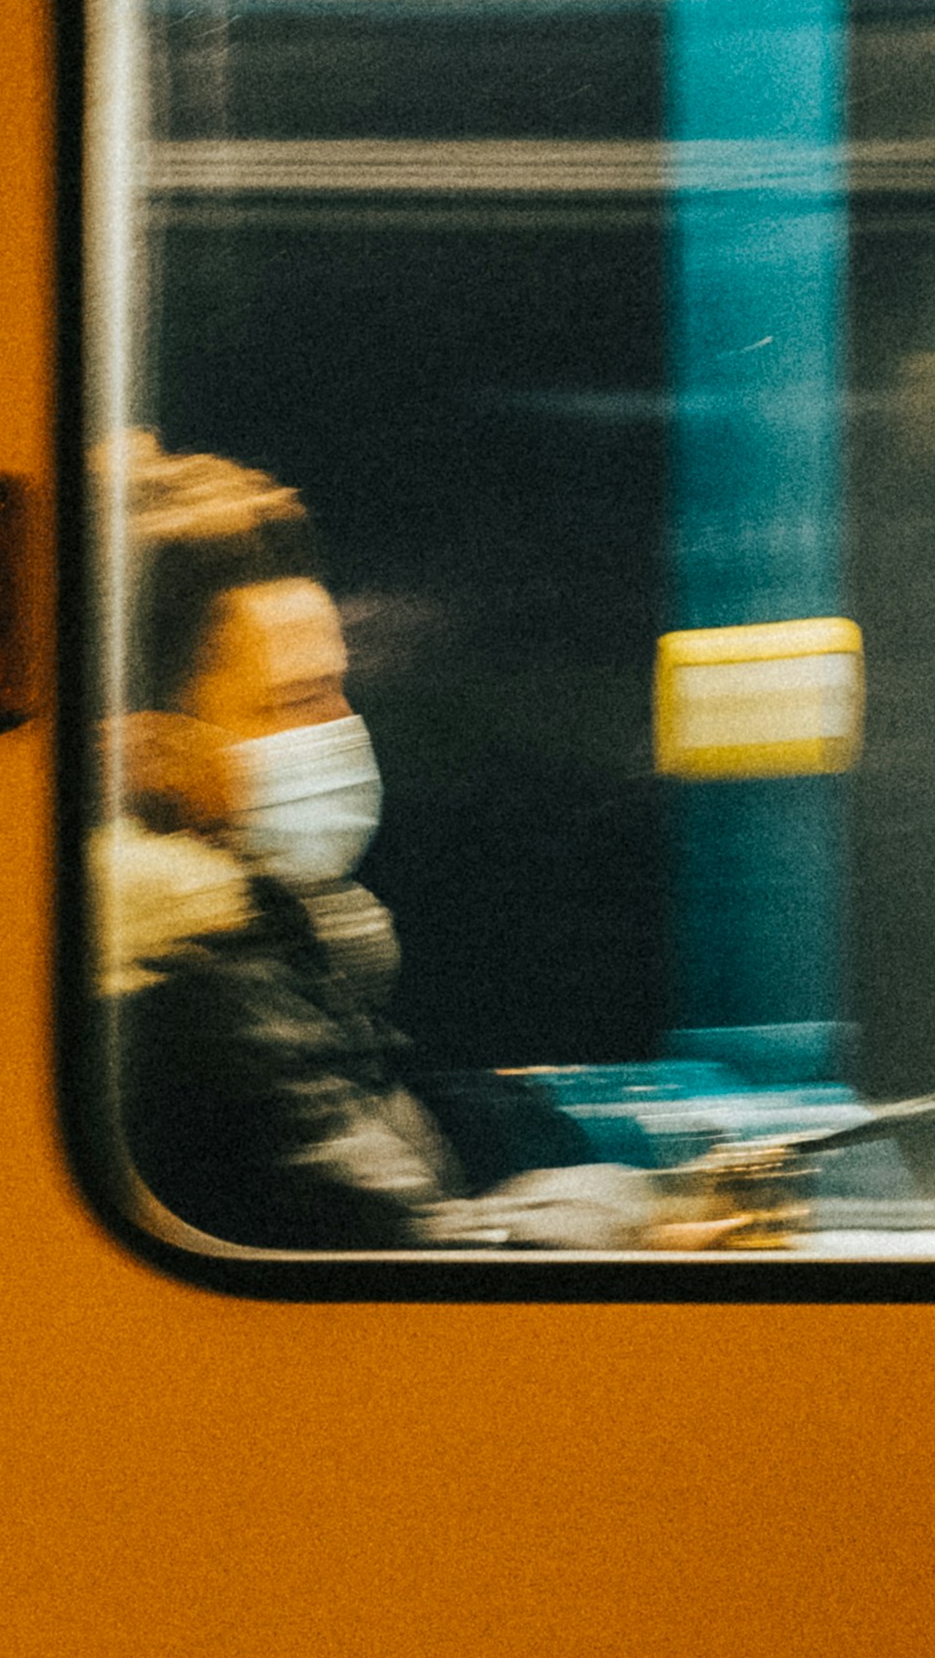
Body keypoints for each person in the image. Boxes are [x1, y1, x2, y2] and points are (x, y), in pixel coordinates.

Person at [104, 443, 656, 1253]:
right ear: (151, 747)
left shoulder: (283, 945)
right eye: (296, 701)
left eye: (340, 690)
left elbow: (421, 1129)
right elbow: (411, 1262)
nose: (339, 732)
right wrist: (632, 1205)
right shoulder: (184, 987)